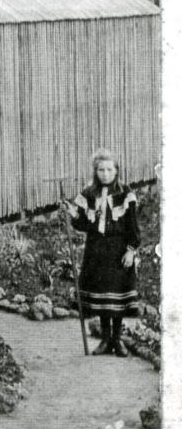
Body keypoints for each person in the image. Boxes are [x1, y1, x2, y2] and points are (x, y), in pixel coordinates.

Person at [63, 148, 141, 357]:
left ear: (116, 171)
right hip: (96, 251)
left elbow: (133, 227)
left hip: (118, 251)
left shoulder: (125, 194)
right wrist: (73, 214)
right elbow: (84, 225)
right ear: (95, 171)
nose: (105, 174)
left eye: (109, 169)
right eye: (100, 170)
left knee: (117, 297)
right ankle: (105, 340)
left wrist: (131, 251)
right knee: (102, 296)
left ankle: (117, 340)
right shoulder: (89, 194)